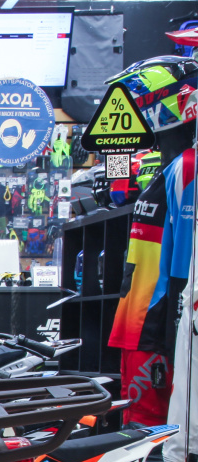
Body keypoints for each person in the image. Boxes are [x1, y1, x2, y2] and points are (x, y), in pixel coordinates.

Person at [106, 56, 197, 428]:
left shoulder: (187, 167)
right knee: (136, 430)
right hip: (136, 324)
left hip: (157, 326)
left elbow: (185, 263)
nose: (134, 113)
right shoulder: (167, 164)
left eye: (139, 101)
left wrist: (175, 336)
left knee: (154, 437)